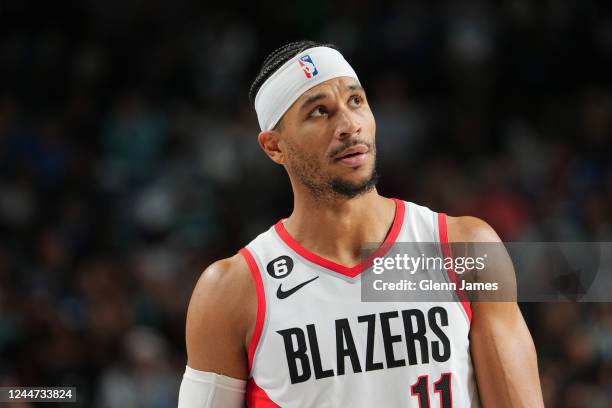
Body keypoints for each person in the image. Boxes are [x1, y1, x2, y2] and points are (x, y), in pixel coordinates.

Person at [177, 40, 544, 407]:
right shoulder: (230, 292)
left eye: (356, 101)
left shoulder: (466, 247)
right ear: (275, 147)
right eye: (319, 112)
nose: (349, 125)